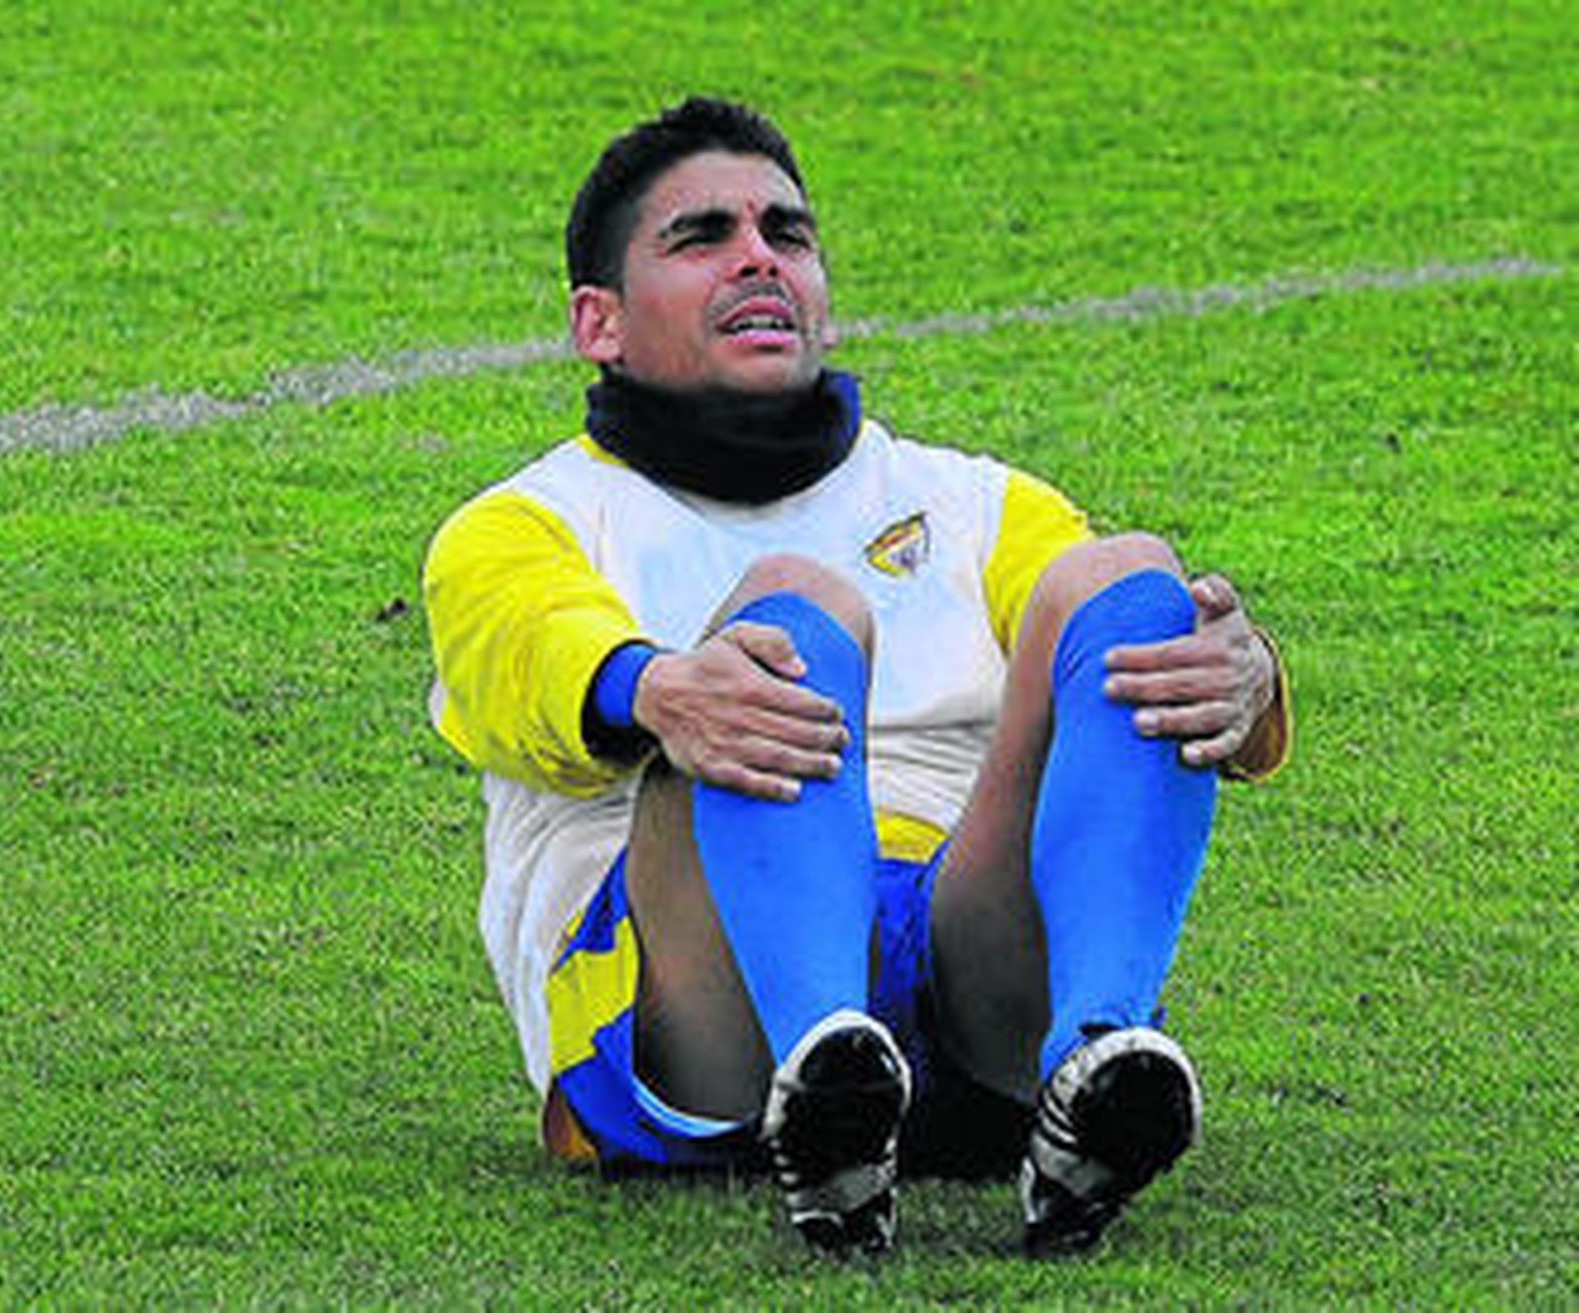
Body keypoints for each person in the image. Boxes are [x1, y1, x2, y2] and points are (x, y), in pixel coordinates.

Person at [423, 96, 1289, 1257]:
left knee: (1127, 578)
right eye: (702, 238)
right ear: (601, 322)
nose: (758, 261)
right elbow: (526, 656)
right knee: (794, 613)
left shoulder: (975, 501)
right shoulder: (522, 524)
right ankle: (820, 1084)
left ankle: (1092, 1064)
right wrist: (658, 687)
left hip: (967, 968)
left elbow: (1132, 645)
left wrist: (1241, 670)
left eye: (786, 234)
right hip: (701, 1013)